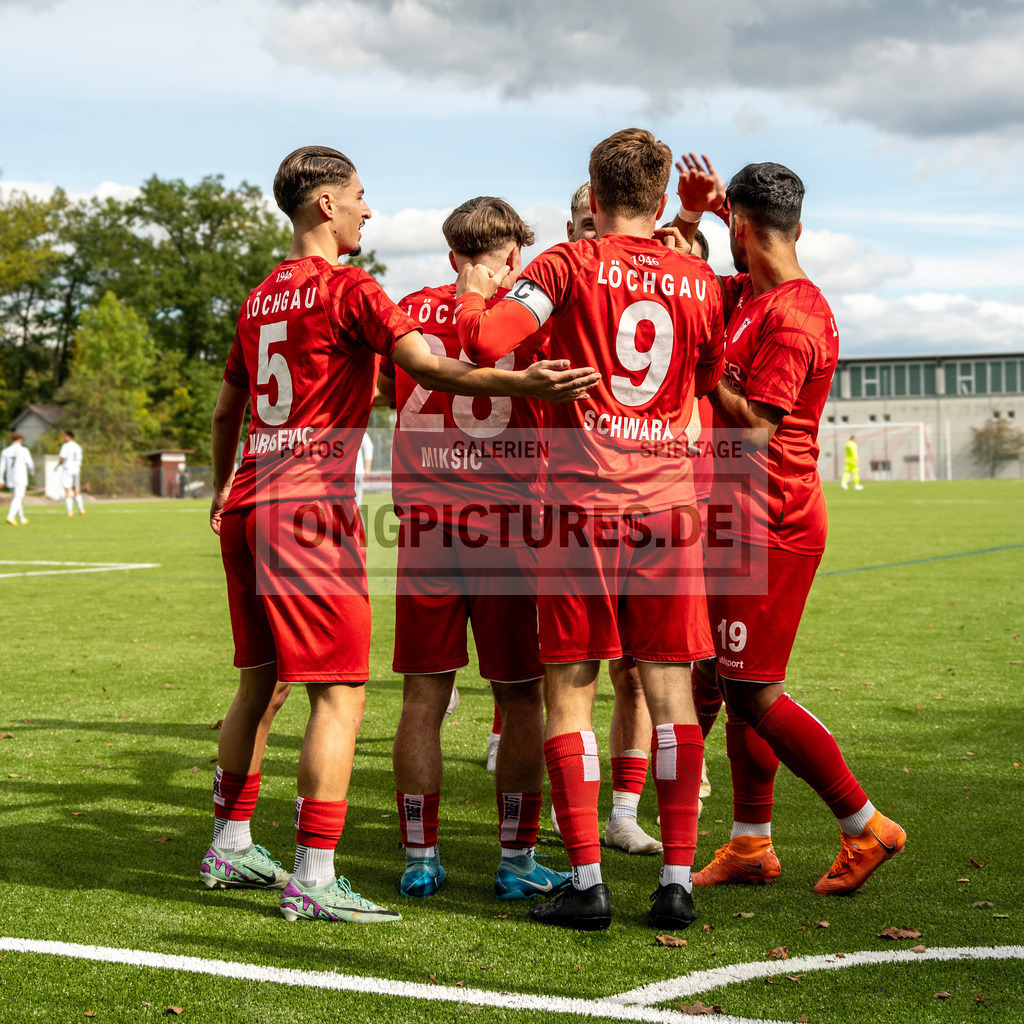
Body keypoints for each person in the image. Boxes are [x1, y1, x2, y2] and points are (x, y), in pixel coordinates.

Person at [200, 145, 599, 925]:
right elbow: (440, 368)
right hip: (420, 522)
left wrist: (223, 484)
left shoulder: (258, 300)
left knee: (275, 682)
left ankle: (244, 842)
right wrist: (525, 381)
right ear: (326, 206)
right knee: (367, 696)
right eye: (359, 196)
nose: (368, 210)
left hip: (279, 504)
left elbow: (227, 409)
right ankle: (327, 875)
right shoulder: (363, 292)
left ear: (451, 251)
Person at [455, 128, 725, 930]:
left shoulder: (565, 265)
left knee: (569, 688)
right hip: (669, 509)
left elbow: (485, 340)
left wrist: (475, 291)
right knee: (670, 691)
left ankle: (586, 884)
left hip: (580, 506)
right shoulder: (699, 277)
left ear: (593, 194)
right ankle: (676, 880)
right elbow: (704, 381)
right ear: (660, 191)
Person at [674, 153, 905, 896]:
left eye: (729, 223)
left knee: (755, 692)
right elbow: (702, 282)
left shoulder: (795, 317)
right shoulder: (748, 292)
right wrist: (703, 213)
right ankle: (750, 843)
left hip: (770, 522)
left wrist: (708, 370)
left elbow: (755, 429)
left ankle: (864, 823)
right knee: (725, 675)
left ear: (744, 227)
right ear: (794, 226)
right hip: (733, 518)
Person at [384, 196, 571, 902]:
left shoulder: (407, 310)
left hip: (426, 526)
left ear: (452, 251)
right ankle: (516, 860)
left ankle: (419, 856)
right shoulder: (530, 321)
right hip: (508, 526)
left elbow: (393, 390)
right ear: (514, 256)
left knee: (424, 696)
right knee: (521, 699)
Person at [1, 432, 34, 525]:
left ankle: (22, 518)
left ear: (12, 440)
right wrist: (32, 472)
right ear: (20, 440)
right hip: (21, 477)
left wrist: (1, 480)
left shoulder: (5, 451)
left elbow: (1, 467)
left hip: (10, 478)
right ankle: (10, 516)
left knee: (16, 498)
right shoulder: (24, 450)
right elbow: (30, 464)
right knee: (18, 498)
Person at [58, 429, 85, 516]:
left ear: (69, 436)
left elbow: (63, 458)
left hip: (68, 469)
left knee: (67, 490)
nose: (63, 438)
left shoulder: (65, 446)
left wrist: (59, 463)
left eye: (64, 436)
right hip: (76, 469)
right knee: (75, 489)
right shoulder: (78, 446)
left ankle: (70, 511)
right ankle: (81, 509)